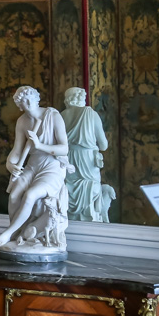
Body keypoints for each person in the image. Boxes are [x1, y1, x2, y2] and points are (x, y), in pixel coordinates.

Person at [0, 86, 74, 248]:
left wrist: (39, 145)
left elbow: (64, 148)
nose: (29, 103)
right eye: (24, 101)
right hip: (33, 166)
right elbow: (17, 150)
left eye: (31, 99)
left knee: (31, 195)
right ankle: (18, 234)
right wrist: (10, 165)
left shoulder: (53, 116)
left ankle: (8, 233)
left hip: (52, 167)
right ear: (20, 105)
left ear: (37, 99)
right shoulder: (22, 121)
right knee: (14, 194)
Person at [61, 87, 114, 222]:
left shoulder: (62, 115)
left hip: (67, 158)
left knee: (69, 186)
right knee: (89, 187)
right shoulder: (91, 114)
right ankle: (90, 220)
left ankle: (68, 221)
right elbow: (103, 145)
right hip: (87, 158)